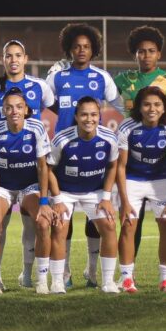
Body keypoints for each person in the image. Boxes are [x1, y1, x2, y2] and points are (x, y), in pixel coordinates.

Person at [46, 23, 122, 289]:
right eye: (77, 46)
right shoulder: (57, 76)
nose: (81, 50)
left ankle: (94, 272)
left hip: (92, 151)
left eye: (87, 47)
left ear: (93, 50)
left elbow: (122, 105)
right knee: (62, 223)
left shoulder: (102, 77)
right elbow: (44, 102)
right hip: (65, 150)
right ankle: (63, 274)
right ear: (69, 49)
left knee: (98, 221)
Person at [113, 26, 166, 275]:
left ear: (159, 54)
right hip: (133, 160)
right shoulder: (123, 80)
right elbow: (93, 98)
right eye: (141, 51)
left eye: (151, 51)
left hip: (163, 162)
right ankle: (128, 276)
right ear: (134, 54)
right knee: (131, 224)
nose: (146, 55)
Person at [0, 39, 54, 290]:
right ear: (2, 109)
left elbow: (43, 166)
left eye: (19, 107)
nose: (14, 111)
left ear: (27, 109)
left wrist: (45, 201)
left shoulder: (37, 128)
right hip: (2, 186)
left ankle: (40, 280)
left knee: (41, 222)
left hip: (29, 185)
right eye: (9, 107)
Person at [47, 96, 121, 294]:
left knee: (109, 226)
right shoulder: (62, 139)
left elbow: (113, 166)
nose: (89, 119)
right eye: (84, 115)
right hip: (65, 192)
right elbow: (48, 170)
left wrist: (106, 197)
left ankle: (108, 282)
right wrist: (57, 200)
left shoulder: (109, 138)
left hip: (95, 192)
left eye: (94, 115)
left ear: (99, 116)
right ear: (76, 116)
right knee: (59, 228)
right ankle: (57, 282)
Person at [115, 86, 166, 294]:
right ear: (139, 107)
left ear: (164, 107)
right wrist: (124, 201)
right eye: (147, 104)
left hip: (161, 180)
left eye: (157, 104)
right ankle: (127, 278)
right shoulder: (127, 127)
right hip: (133, 180)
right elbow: (120, 166)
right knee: (128, 226)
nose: (152, 109)